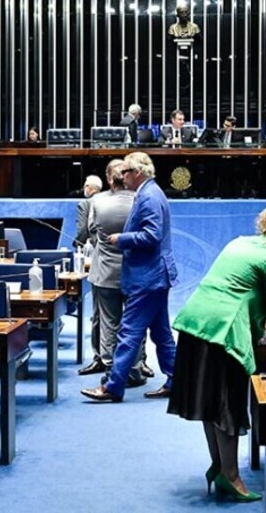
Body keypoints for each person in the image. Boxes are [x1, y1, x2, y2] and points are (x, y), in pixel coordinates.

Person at [168, 205, 266, 502]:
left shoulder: (239, 242)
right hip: (225, 333)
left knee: (209, 404)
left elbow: (242, 290)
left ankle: (218, 466)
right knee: (227, 406)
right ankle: (232, 476)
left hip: (195, 322)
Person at [81, 152, 178, 402]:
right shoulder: (150, 193)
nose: (121, 176)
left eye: (125, 171)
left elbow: (152, 235)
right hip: (155, 275)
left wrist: (121, 239)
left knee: (128, 332)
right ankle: (178, 381)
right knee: (161, 333)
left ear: (137, 172)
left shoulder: (147, 197)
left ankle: (112, 387)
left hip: (147, 277)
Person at [79, 160, 144, 386]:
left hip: (105, 270)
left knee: (109, 324)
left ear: (109, 180)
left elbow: (91, 233)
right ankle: (135, 369)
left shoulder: (96, 201)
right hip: (135, 271)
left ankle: (111, 369)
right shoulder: (139, 200)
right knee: (134, 324)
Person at [73, 175, 102, 248]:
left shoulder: (84, 204)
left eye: (84, 187)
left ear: (88, 187)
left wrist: (77, 243)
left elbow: (83, 229)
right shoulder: (107, 201)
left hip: (92, 247)